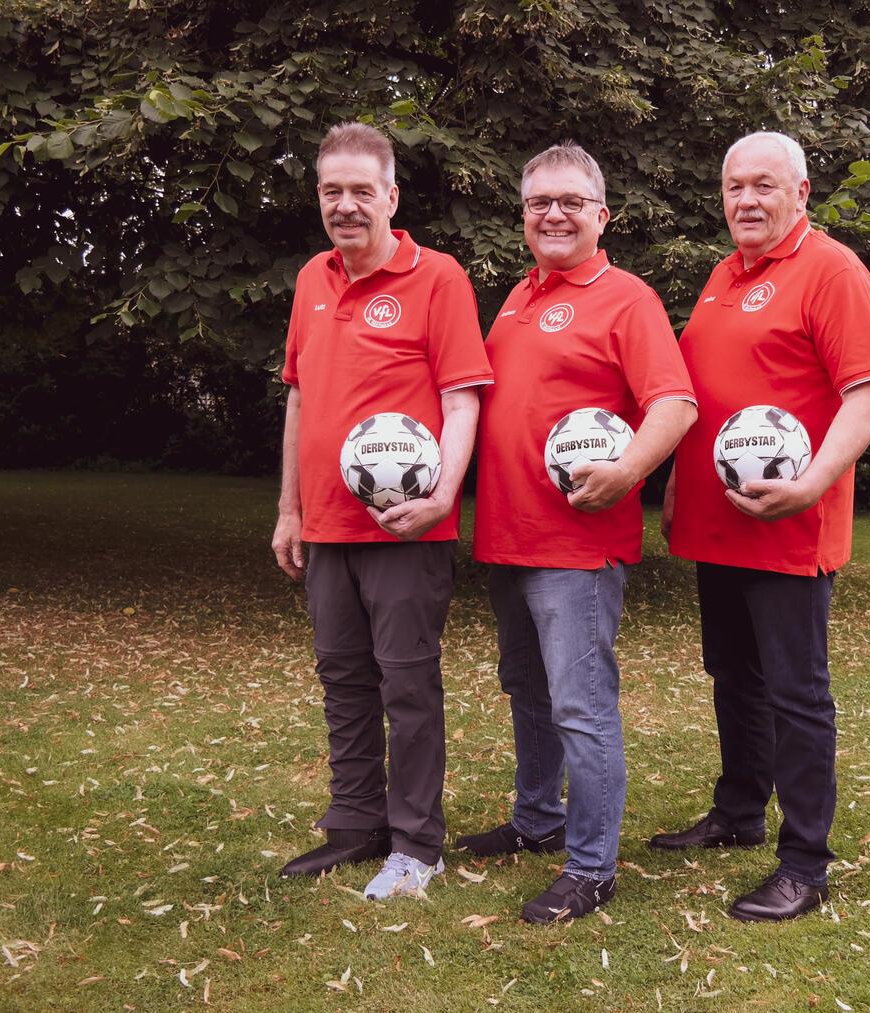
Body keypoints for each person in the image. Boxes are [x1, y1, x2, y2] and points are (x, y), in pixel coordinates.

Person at [652, 131, 870, 922]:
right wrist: (677, 492)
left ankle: (805, 861)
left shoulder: (832, 270)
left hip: (791, 528)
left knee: (797, 692)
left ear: (802, 190)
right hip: (719, 528)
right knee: (734, 673)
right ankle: (739, 809)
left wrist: (813, 482)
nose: (746, 201)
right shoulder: (725, 276)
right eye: (733, 187)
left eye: (763, 185)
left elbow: (869, 396)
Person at [459, 142, 696, 923]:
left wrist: (627, 472)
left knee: (580, 705)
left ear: (603, 215)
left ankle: (592, 867)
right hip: (506, 537)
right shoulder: (518, 297)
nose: (553, 214)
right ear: (523, 217)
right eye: (538, 203)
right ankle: (537, 819)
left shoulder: (627, 298)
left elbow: (675, 404)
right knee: (526, 689)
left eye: (569, 202)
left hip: (576, 549)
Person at [270, 122, 493, 900]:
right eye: (332, 191)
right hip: (327, 526)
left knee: (407, 683)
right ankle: (356, 824)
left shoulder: (439, 279)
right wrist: (289, 509)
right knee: (343, 679)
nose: (346, 205)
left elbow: (464, 398)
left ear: (391, 197)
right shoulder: (310, 279)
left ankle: (417, 843)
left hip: (407, 528)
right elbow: (301, 397)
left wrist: (441, 496)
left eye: (361, 190)